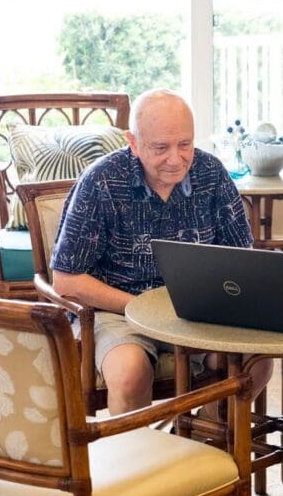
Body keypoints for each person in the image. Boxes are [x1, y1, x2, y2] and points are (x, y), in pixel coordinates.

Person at [50, 89, 271, 415]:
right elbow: (66, 281)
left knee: (258, 363)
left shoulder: (211, 174)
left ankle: (209, 443)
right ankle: (141, 462)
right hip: (119, 311)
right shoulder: (102, 181)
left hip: (198, 310)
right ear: (133, 142)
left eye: (185, 145)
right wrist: (143, 309)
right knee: (130, 375)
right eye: (160, 148)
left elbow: (244, 259)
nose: (175, 158)